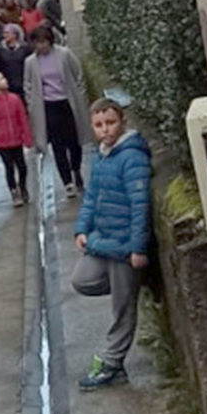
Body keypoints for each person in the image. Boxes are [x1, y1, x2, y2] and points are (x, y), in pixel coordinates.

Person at [71, 99, 152, 389]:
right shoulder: (102, 156)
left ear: (122, 122)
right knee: (82, 280)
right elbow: (91, 196)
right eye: (99, 125)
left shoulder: (132, 157)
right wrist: (82, 229)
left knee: (123, 309)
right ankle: (134, 285)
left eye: (110, 123)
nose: (105, 130)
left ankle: (112, 362)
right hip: (104, 242)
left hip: (125, 249)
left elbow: (140, 205)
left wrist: (138, 249)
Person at [24, 24, 91, 196]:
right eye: (37, 43)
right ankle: (67, 181)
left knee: (74, 141)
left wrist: (80, 97)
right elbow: (28, 85)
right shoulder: (30, 62)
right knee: (57, 145)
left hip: (67, 103)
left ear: (50, 41)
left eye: (43, 42)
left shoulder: (64, 54)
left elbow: (78, 76)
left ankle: (76, 170)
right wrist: (32, 104)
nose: (41, 46)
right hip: (48, 106)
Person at [0, 71, 33, 207]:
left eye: (4, 78)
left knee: (22, 166)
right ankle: (13, 191)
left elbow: (22, 118)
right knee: (9, 166)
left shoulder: (15, 99)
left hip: (16, 139)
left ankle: (22, 186)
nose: (5, 80)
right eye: (0, 79)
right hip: (2, 141)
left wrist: (27, 136)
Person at [0, 24, 32, 98]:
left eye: (7, 33)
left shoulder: (25, 48)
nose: (5, 35)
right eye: (4, 33)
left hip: (22, 83)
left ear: (15, 35)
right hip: (7, 84)